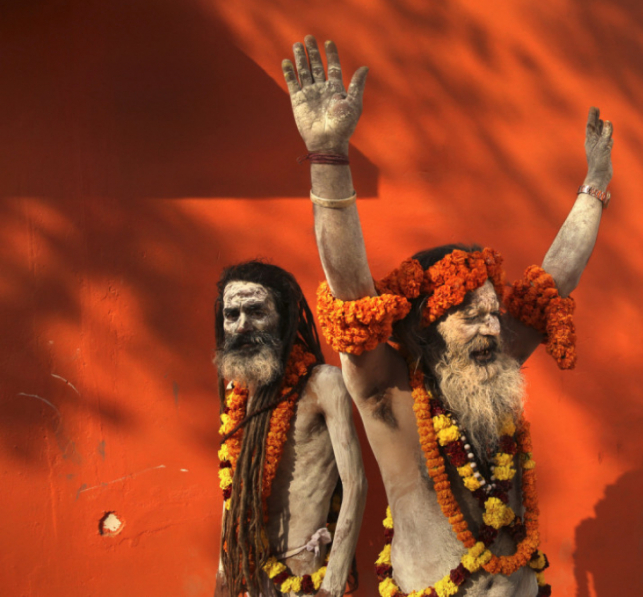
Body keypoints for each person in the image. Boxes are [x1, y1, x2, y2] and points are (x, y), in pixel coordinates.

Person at [283, 35, 613, 596]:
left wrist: (595, 188)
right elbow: (352, 291)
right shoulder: (385, 390)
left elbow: (556, 279)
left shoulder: (492, 362)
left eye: (493, 313)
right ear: (425, 330)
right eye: (471, 317)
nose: (493, 328)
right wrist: (328, 157)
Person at [213, 261, 366, 597]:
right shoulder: (237, 392)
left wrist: (333, 585)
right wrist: (223, 569)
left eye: (256, 311)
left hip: (301, 573)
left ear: (282, 318)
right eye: (232, 315)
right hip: (247, 573)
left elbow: (356, 484)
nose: (242, 325)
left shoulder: (323, 383)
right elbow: (232, 489)